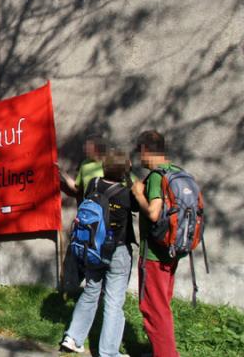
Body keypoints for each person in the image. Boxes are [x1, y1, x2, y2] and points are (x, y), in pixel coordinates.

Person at [60, 150, 135, 356]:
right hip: (117, 250)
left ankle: (73, 338)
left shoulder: (93, 183)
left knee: (91, 291)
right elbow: (139, 205)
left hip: (92, 248)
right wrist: (129, 175)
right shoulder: (125, 193)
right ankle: (108, 352)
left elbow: (80, 191)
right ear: (125, 170)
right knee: (113, 302)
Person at [131, 130, 183, 357]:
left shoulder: (155, 176)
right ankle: (159, 351)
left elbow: (153, 213)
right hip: (172, 250)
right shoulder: (178, 172)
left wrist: (138, 194)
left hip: (153, 254)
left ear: (145, 150)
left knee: (153, 308)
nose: (139, 158)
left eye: (139, 152)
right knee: (163, 303)